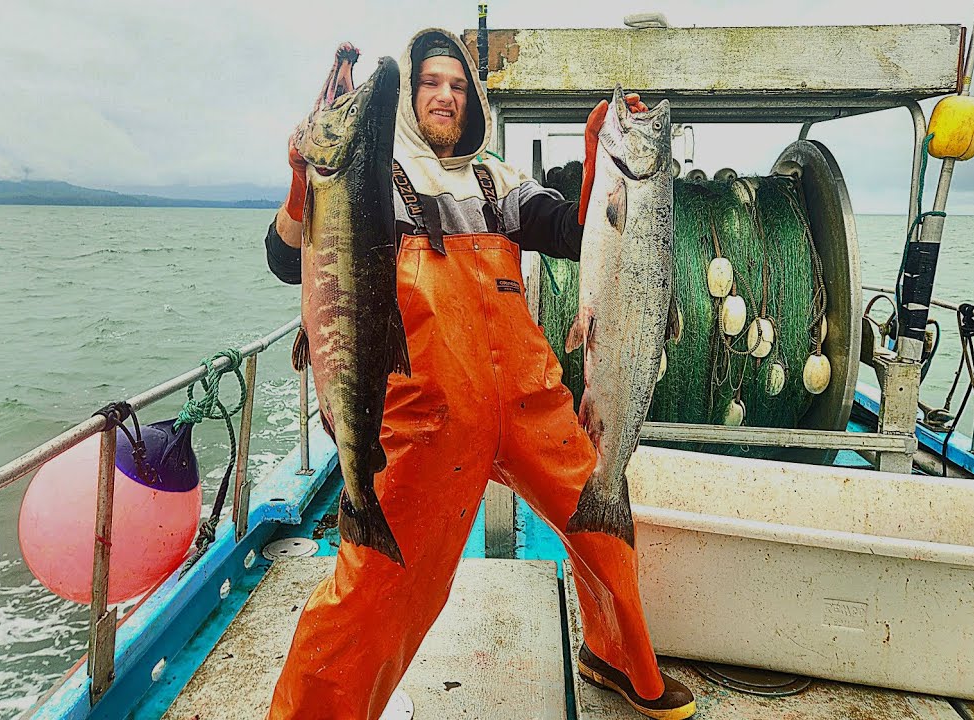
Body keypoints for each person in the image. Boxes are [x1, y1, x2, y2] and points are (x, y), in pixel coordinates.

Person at [262, 28, 697, 720]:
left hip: (529, 400)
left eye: (458, 86)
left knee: (604, 523)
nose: (445, 96)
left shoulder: (499, 181)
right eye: (431, 83)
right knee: (380, 577)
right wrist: (298, 177)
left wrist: (597, 157)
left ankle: (614, 654)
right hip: (426, 414)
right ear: (410, 95)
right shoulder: (370, 174)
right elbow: (290, 262)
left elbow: (576, 235)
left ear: (473, 102)